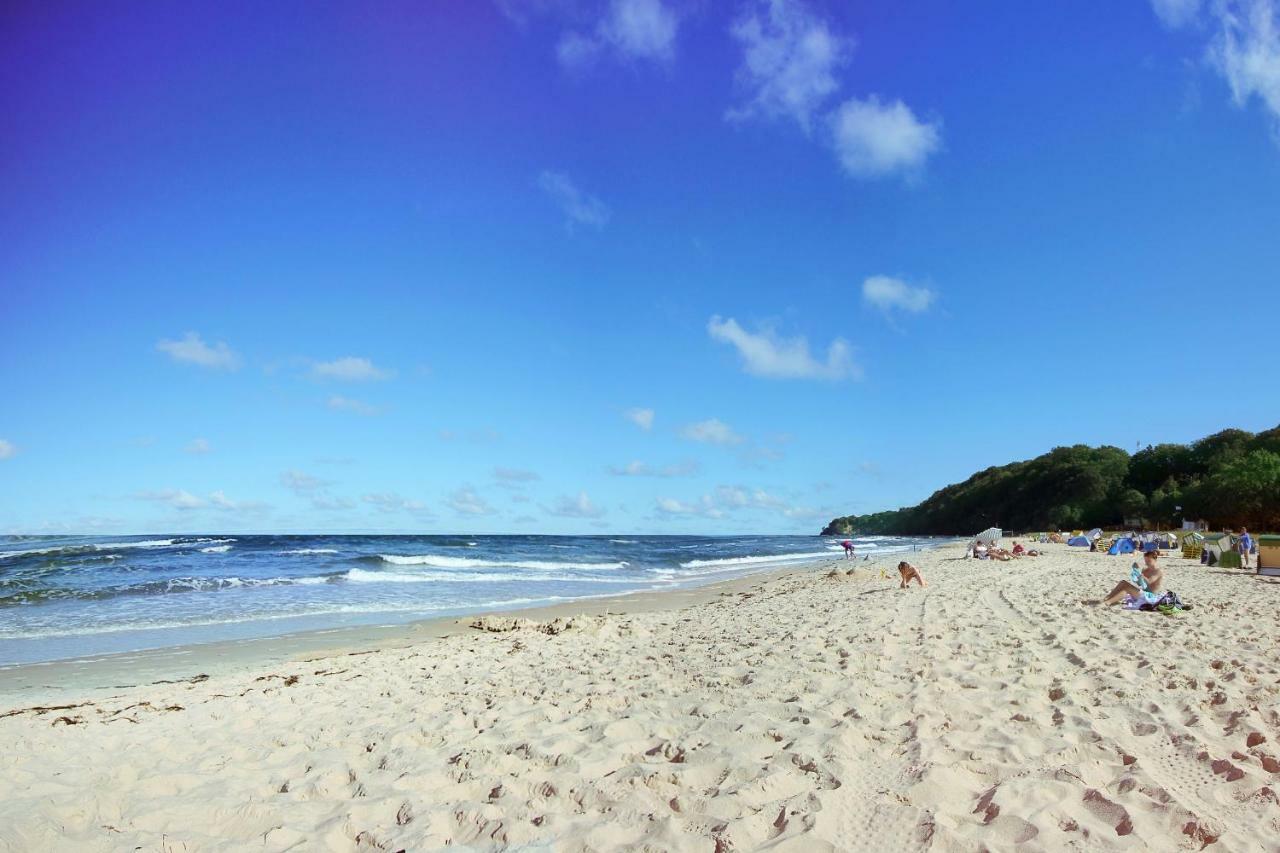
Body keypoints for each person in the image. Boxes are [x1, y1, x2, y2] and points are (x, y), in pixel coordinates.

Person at [1094, 550, 1164, 605]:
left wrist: (1140, 575)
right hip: (1143, 593)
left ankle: (1108, 603)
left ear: (1155, 560)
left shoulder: (1158, 571)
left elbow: (1149, 582)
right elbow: (1140, 584)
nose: (1146, 563)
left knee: (1127, 589)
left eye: (1149, 561)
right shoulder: (1145, 570)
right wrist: (1136, 571)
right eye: (1145, 561)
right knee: (1123, 582)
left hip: (1150, 597)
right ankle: (1107, 598)